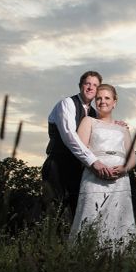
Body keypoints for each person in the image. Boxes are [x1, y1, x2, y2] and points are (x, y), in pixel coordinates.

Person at [68, 84, 136, 250]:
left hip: (120, 180)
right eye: (98, 98)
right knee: (91, 217)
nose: (102, 101)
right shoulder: (88, 121)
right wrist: (96, 168)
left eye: (107, 98)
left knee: (119, 219)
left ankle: (120, 258)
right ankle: (86, 258)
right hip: (94, 179)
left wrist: (124, 168)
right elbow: (81, 150)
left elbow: (132, 156)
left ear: (114, 102)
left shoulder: (122, 127)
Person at [41, 71, 116, 215]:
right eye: (87, 83)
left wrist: (115, 125)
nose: (90, 88)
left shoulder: (94, 113)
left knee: (78, 212)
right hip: (58, 164)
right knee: (52, 212)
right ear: (80, 85)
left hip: (79, 169)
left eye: (95, 85)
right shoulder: (66, 104)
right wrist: (93, 161)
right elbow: (70, 136)